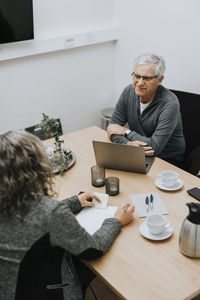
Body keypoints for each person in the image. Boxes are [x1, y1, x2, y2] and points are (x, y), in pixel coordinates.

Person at [0, 130, 134, 300]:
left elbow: (33, 218)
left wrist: (73, 202)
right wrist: (116, 221)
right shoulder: (51, 213)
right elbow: (93, 249)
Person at [107, 53, 185, 165]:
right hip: (138, 153)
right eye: (137, 76)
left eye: (147, 78)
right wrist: (127, 145)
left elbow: (155, 148)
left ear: (160, 80)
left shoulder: (170, 103)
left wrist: (126, 131)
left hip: (167, 161)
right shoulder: (128, 91)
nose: (139, 83)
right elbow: (112, 128)